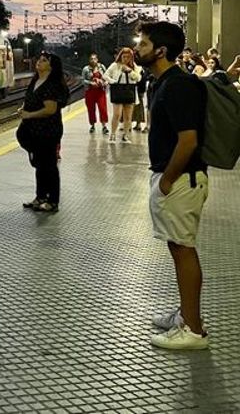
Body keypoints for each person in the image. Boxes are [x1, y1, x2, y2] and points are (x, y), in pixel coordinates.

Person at [134, 21, 210, 350]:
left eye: (144, 44)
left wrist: (166, 180)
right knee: (178, 247)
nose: (137, 49)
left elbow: (188, 140)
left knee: (183, 249)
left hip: (181, 180)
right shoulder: (165, 82)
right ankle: (186, 316)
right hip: (177, 179)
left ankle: (193, 330)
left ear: (161, 51)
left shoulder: (177, 85)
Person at [16, 52, 69, 213]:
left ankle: (52, 201)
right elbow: (31, 100)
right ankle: (40, 197)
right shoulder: (36, 81)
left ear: (51, 67)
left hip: (48, 130)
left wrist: (29, 115)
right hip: (35, 130)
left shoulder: (51, 85)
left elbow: (50, 110)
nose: (39, 62)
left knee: (49, 166)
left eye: (44, 61)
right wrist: (24, 109)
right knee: (40, 165)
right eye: (39, 59)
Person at [105, 47, 142, 143]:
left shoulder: (134, 66)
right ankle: (112, 134)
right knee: (117, 114)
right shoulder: (115, 65)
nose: (125, 59)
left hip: (130, 90)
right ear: (120, 56)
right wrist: (113, 82)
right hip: (118, 90)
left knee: (128, 116)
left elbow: (138, 78)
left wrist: (130, 71)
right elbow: (105, 75)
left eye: (128, 57)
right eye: (124, 56)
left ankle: (125, 135)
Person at [81, 53, 110, 134]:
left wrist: (105, 82)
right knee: (91, 109)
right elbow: (82, 80)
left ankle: (104, 126)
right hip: (90, 92)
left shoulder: (102, 67)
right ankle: (92, 125)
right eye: (91, 59)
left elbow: (107, 76)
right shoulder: (86, 69)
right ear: (89, 60)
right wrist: (90, 83)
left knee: (102, 108)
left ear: (97, 59)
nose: (93, 60)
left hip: (100, 92)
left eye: (95, 59)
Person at [132, 67, 152, 132]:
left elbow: (143, 79)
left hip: (139, 89)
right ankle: (143, 124)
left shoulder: (142, 69)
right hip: (138, 89)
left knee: (141, 107)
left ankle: (142, 124)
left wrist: (142, 91)